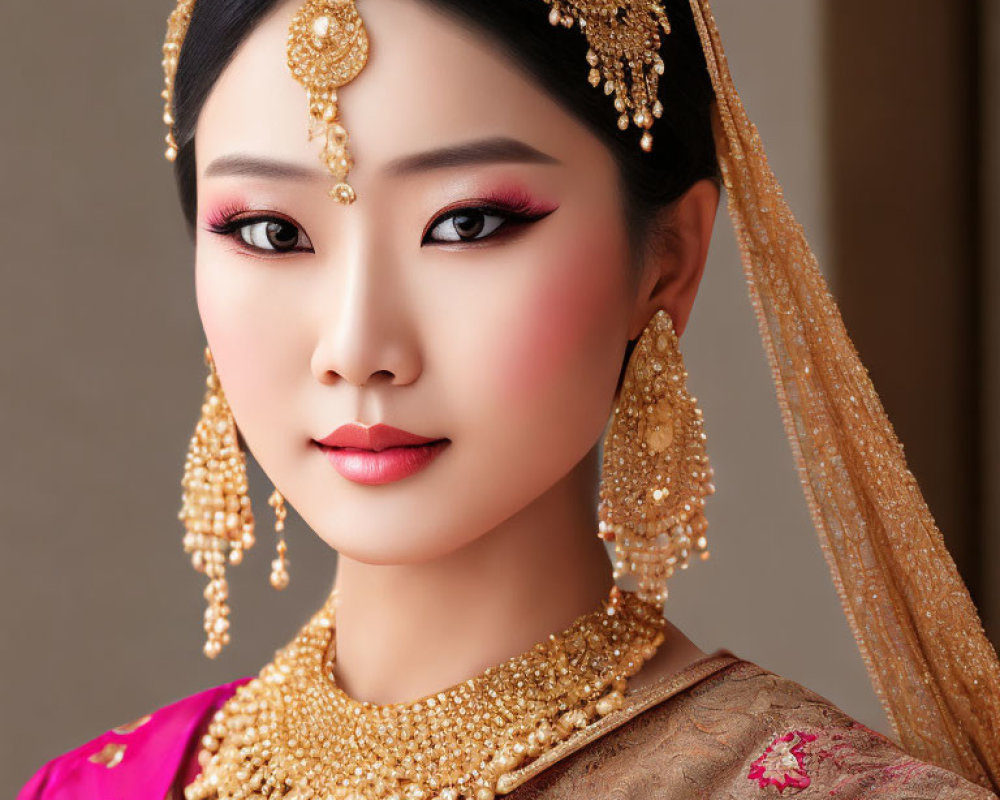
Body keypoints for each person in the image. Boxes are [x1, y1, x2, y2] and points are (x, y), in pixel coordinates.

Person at [16, 0, 1000, 798]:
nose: (358, 346)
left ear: (667, 260)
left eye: (466, 223)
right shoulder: (97, 787)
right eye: (271, 232)